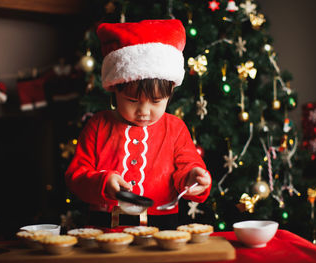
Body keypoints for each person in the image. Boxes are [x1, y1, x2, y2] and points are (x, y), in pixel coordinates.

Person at [65, 19, 212, 230]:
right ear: (115, 89)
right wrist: (103, 183)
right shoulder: (98, 126)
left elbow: (187, 169)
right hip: (105, 226)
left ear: (169, 94)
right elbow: (76, 175)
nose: (144, 111)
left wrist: (193, 179)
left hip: (162, 226)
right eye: (133, 101)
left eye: (155, 102)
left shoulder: (176, 128)